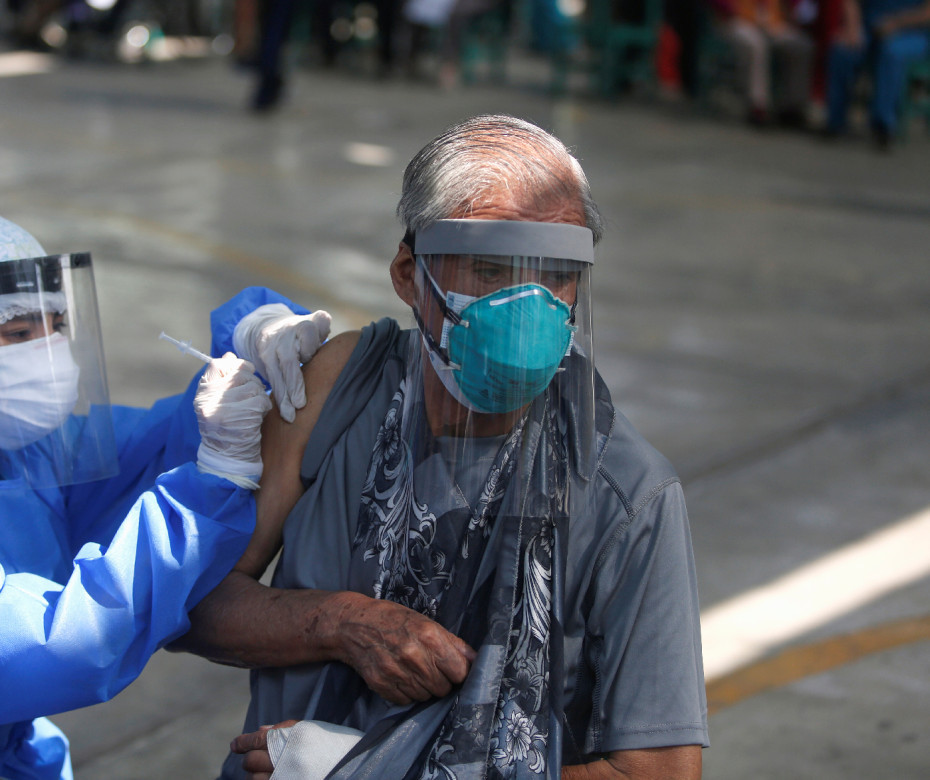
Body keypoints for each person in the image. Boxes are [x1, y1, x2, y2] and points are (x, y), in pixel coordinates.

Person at [178, 115, 708, 779]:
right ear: (408, 274)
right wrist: (344, 623)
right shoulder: (339, 390)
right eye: (491, 270)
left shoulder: (626, 493)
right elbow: (191, 606)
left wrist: (387, 771)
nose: (529, 308)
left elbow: (658, 773)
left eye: (556, 277)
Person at [0, 212, 331, 780]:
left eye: (56, 325)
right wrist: (214, 477)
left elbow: (158, 445)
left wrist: (254, 335)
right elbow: (60, 646)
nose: (48, 352)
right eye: (20, 334)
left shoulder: (30, 457)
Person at [824, 0, 930, 148]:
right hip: (870, 26)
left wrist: (896, 23)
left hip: (911, 31)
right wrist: (853, 28)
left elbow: (927, 13)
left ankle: (883, 125)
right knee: (842, 51)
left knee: (891, 53)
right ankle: (835, 122)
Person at [711, 0, 816, 126]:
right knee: (757, 44)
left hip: (772, 20)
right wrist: (735, 11)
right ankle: (758, 107)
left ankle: (793, 107)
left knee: (801, 46)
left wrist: (792, 14)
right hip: (736, 20)